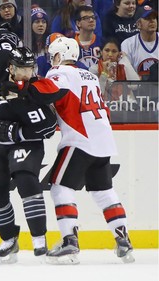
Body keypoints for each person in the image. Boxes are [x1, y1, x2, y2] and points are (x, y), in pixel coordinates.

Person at [25, 37, 135, 265]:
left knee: (59, 187)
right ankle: (123, 239)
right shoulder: (90, 76)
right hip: (103, 140)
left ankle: (69, 240)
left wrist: (22, 84)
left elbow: (45, 92)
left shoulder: (61, 73)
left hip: (80, 139)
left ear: (58, 55)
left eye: (52, 55)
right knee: (103, 191)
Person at [0, 26, 58, 263]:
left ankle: (39, 239)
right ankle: (9, 239)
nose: (26, 73)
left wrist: (17, 131)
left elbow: (48, 128)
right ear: (10, 68)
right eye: (21, 69)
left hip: (26, 142)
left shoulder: (34, 92)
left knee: (25, 178)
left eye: (29, 69)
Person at [89, 37, 139, 102]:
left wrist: (125, 60)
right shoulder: (94, 69)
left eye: (114, 51)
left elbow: (135, 86)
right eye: (107, 50)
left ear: (119, 54)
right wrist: (104, 73)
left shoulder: (123, 67)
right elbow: (97, 93)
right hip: (103, 105)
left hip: (124, 105)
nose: (110, 54)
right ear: (101, 52)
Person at [121, 6, 158, 80]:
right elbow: (130, 79)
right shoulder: (128, 44)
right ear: (138, 24)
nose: (152, 21)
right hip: (138, 90)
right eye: (147, 18)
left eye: (154, 18)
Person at [74, 5, 102, 69]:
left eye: (93, 17)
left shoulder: (103, 42)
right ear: (78, 23)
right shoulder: (70, 44)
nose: (91, 20)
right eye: (86, 18)